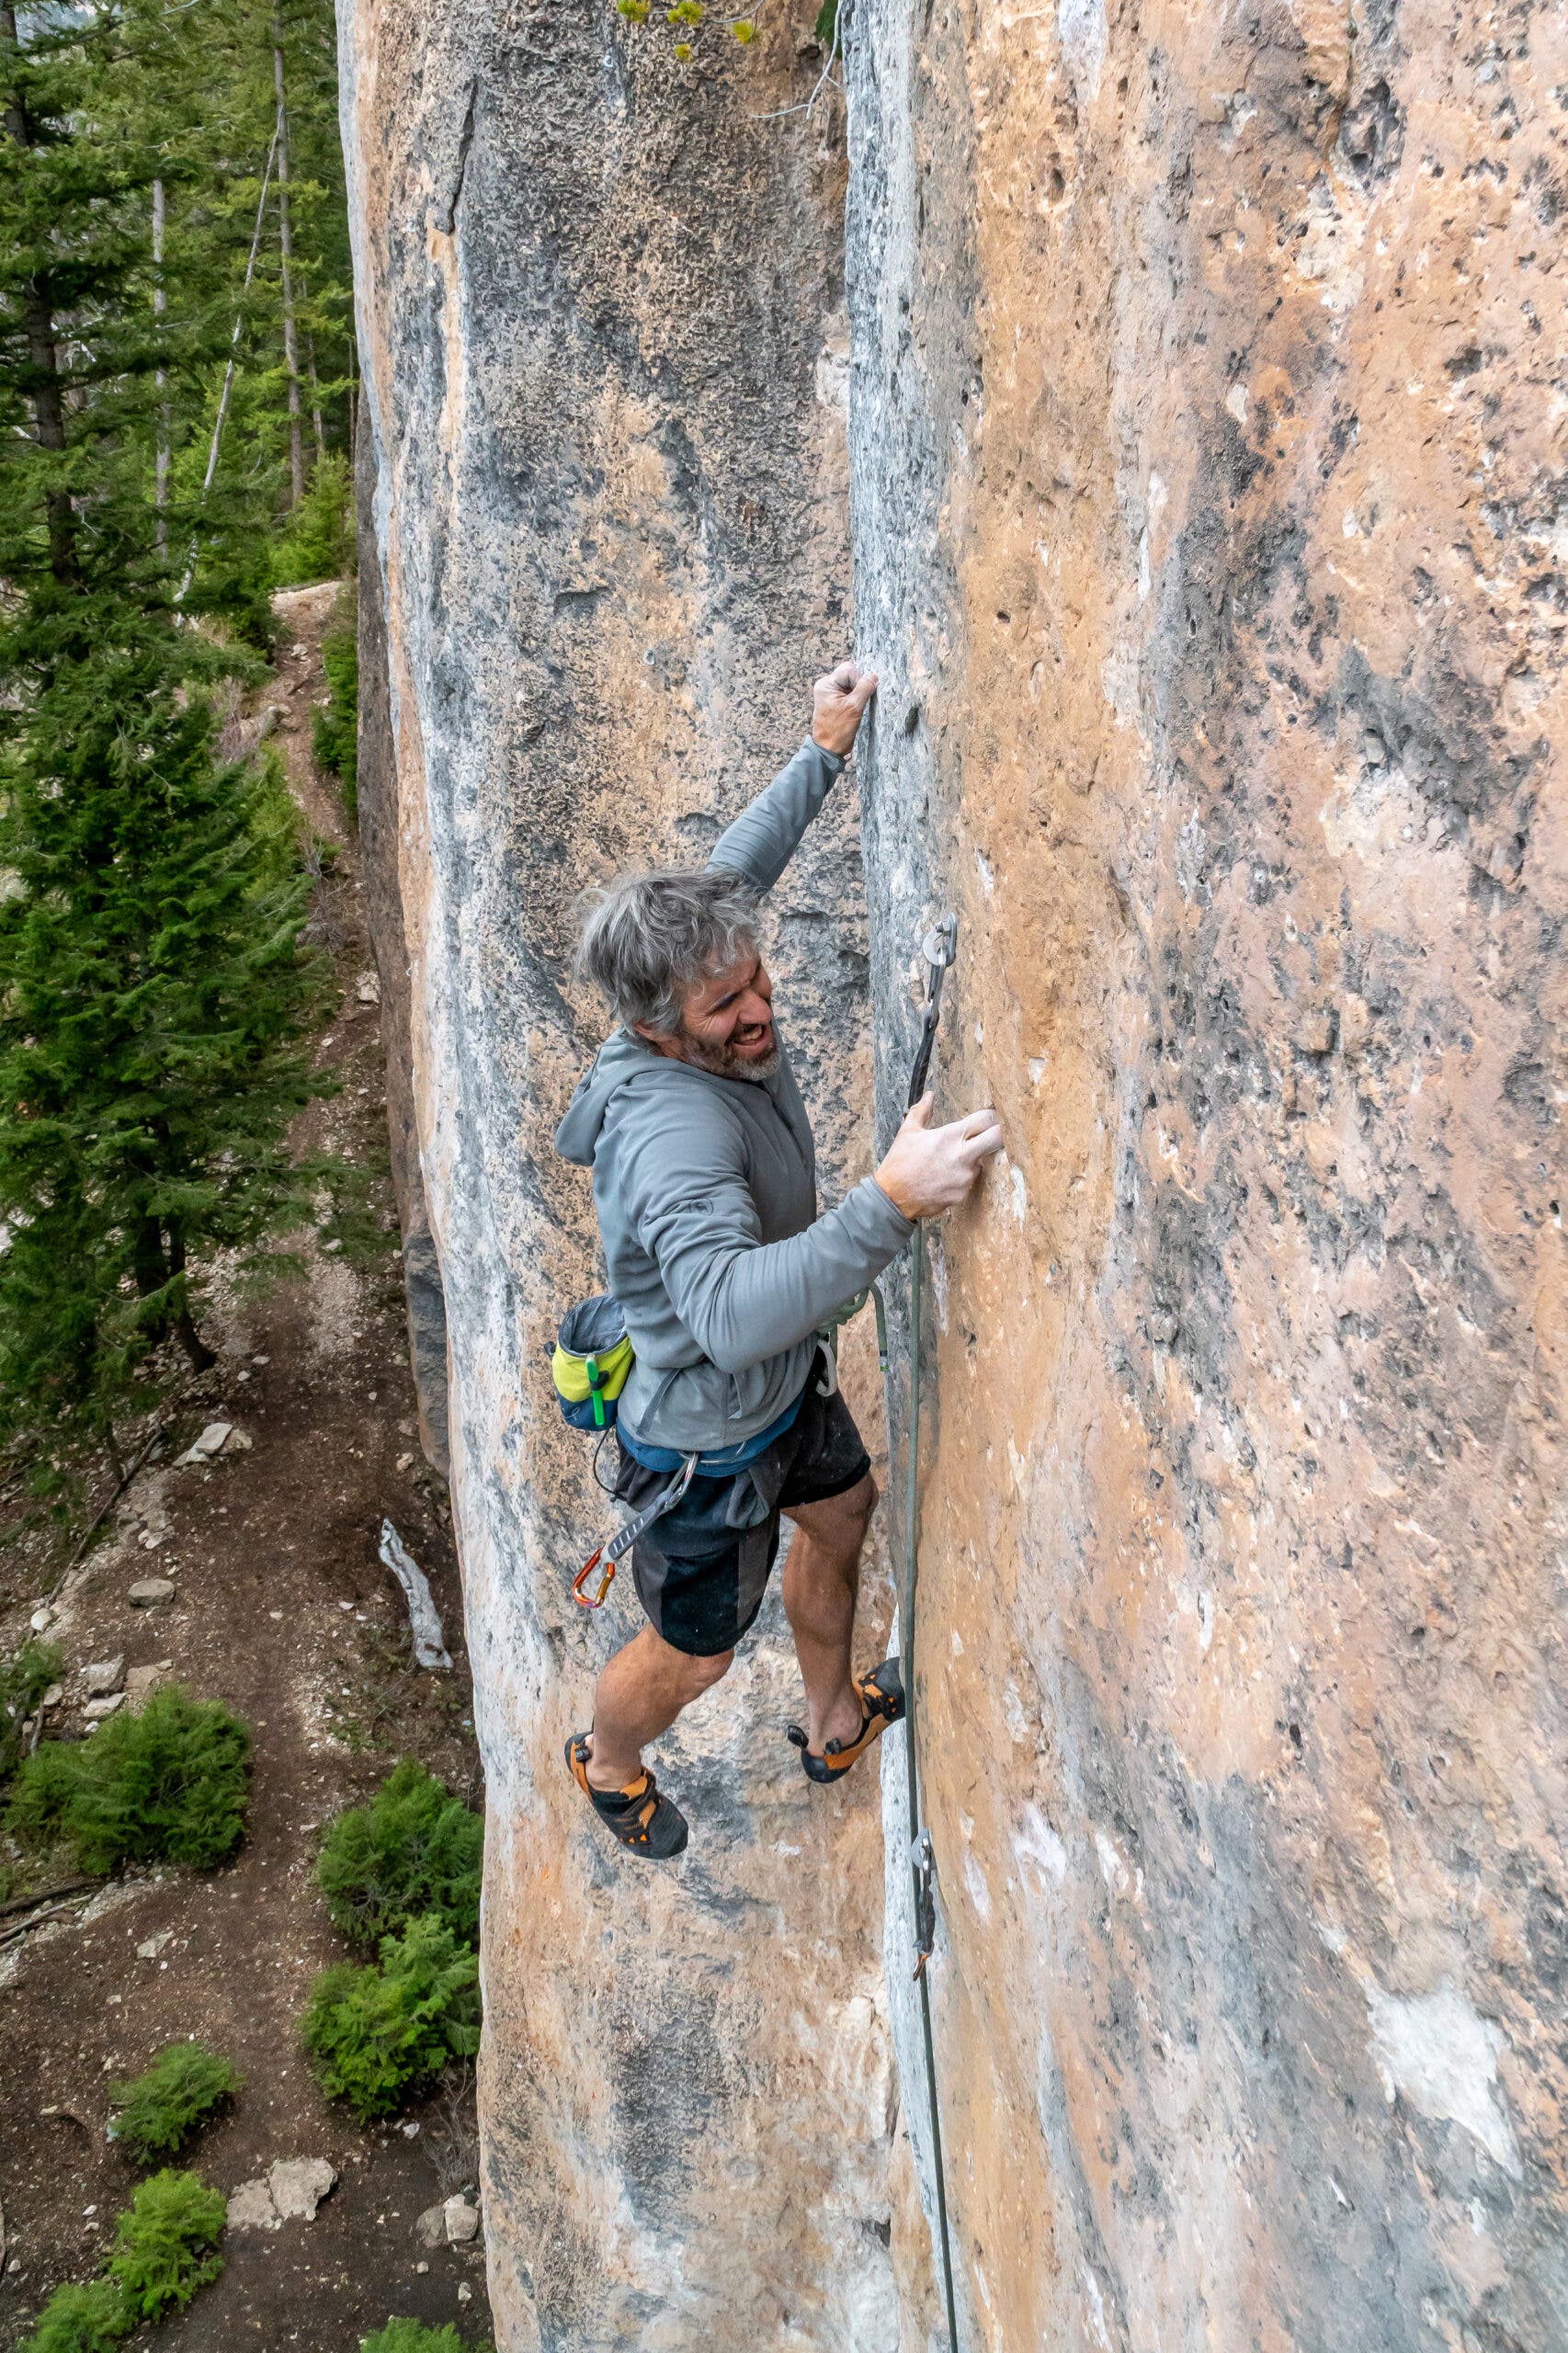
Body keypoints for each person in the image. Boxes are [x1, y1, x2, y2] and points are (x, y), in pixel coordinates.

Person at [555, 662, 1003, 1859]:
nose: (758, 1012)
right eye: (726, 1010)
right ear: (656, 1029)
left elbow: (735, 874)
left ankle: (830, 1719)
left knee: (844, 1508)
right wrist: (886, 1207)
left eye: (753, 981)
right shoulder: (671, 1136)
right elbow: (730, 1311)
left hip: (778, 1395)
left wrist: (824, 749)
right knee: (692, 1653)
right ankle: (607, 1762)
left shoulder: (686, 981)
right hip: (704, 1445)